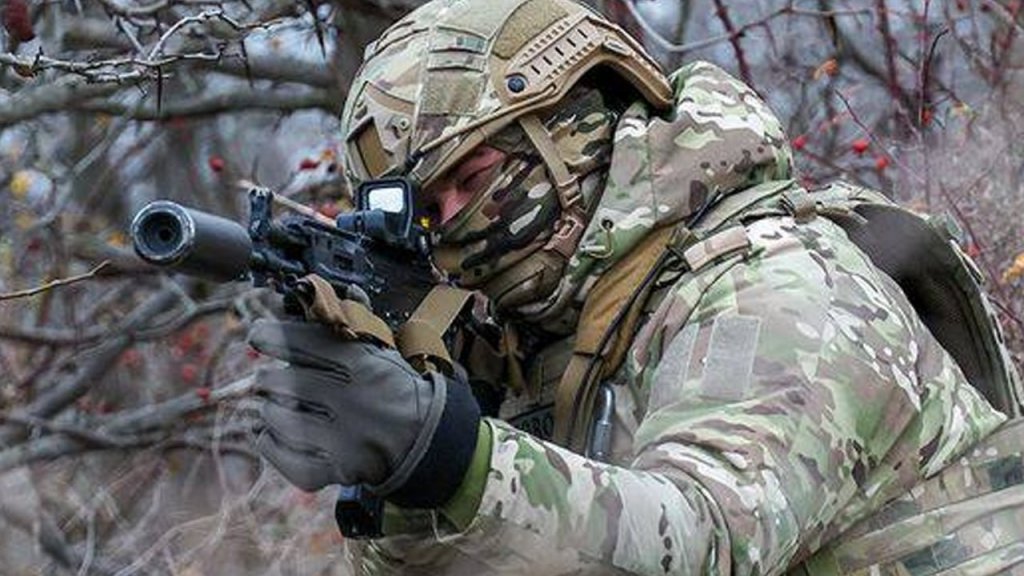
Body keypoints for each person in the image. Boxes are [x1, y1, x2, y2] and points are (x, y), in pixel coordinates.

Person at [247, 0, 1024, 574]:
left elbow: (710, 538)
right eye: (427, 207)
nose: (452, 224)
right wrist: (402, 479)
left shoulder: (781, 285)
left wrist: (455, 456)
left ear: (576, 133)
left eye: (474, 178)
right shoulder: (543, 338)